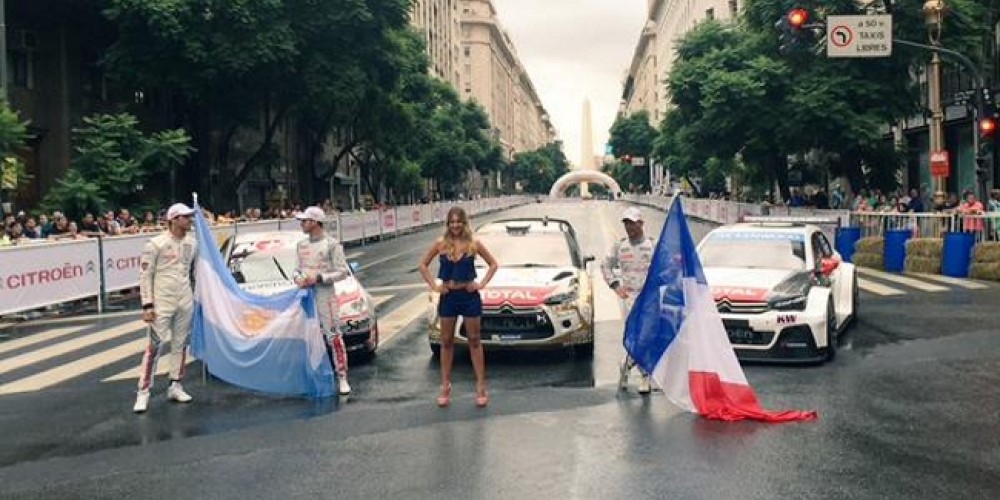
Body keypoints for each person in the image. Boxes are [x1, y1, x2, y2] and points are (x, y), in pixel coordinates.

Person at [418, 206, 498, 408]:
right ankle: (445, 385)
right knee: (446, 341)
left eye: (458, 222)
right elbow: (423, 265)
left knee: (474, 340)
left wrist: (481, 284)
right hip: (449, 297)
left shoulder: (474, 244)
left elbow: (493, 264)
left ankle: (480, 385)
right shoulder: (441, 244)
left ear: (464, 223)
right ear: (447, 224)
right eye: (452, 222)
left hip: (469, 296)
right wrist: (435, 286)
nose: (455, 226)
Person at [133, 203, 198, 413]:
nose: (190, 220)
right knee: (154, 347)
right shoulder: (155, 244)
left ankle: (175, 384)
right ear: (174, 219)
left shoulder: (192, 243)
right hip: (162, 301)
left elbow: (195, 272)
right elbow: (145, 275)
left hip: (184, 298)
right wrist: (147, 304)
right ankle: (143, 392)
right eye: (186, 217)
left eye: (190, 217)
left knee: (180, 344)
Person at [293, 206, 353, 396]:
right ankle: (311, 375)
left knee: (333, 335)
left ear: (314, 222)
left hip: (325, 295)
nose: (301, 224)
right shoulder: (301, 245)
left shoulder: (332, 244)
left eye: (304, 221)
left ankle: (342, 376)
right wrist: (298, 279)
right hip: (305, 296)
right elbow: (295, 269)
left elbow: (343, 271)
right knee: (307, 337)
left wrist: (318, 278)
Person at [602, 206, 656, 395]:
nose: (629, 227)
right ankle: (637, 371)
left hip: (649, 298)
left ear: (641, 223)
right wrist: (616, 286)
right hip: (630, 298)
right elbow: (605, 266)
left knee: (645, 337)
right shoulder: (620, 246)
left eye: (632, 223)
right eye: (626, 223)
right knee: (634, 336)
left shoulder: (652, 245)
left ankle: (638, 372)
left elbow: (668, 266)